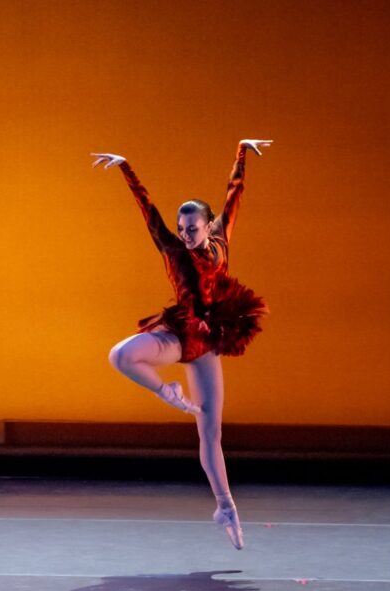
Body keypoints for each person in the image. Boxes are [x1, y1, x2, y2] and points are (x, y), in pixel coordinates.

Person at [92, 139, 273, 549]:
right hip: (180, 334)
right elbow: (148, 211)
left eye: (193, 228)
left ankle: (225, 506)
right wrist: (126, 168)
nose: (186, 234)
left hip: (208, 342)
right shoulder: (173, 249)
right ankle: (165, 390)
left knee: (210, 433)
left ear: (209, 226)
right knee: (121, 355)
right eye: (182, 229)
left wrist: (242, 151)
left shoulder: (222, 239)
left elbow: (234, 193)